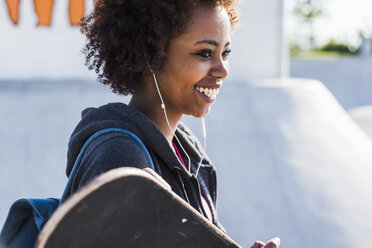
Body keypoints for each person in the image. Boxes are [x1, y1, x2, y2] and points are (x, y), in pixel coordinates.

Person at [63, 0, 280, 247]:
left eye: (225, 52)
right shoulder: (119, 156)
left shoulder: (190, 152)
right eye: (205, 53)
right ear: (150, 55)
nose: (223, 69)